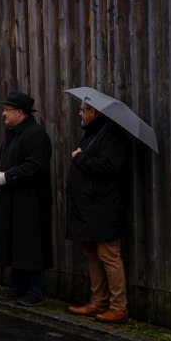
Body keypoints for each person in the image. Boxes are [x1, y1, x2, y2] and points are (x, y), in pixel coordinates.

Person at [64, 98, 132, 323]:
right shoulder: (94, 132)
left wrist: (80, 158)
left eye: (82, 110)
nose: (80, 114)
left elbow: (110, 166)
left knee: (108, 255)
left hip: (104, 207)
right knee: (91, 254)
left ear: (93, 111)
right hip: (89, 207)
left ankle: (119, 307)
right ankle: (98, 302)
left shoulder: (112, 134)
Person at [0, 91, 54, 306]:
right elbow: (2, 162)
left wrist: (9, 176)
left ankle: (35, 291)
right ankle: (17, 287)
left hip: (30, 200)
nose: (3, 114)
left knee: (30, 244)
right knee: (15, 242)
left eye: (7, 110)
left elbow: (36, 166)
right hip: (11, 198)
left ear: (20, 112)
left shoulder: (36, 134)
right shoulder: (13, 133)